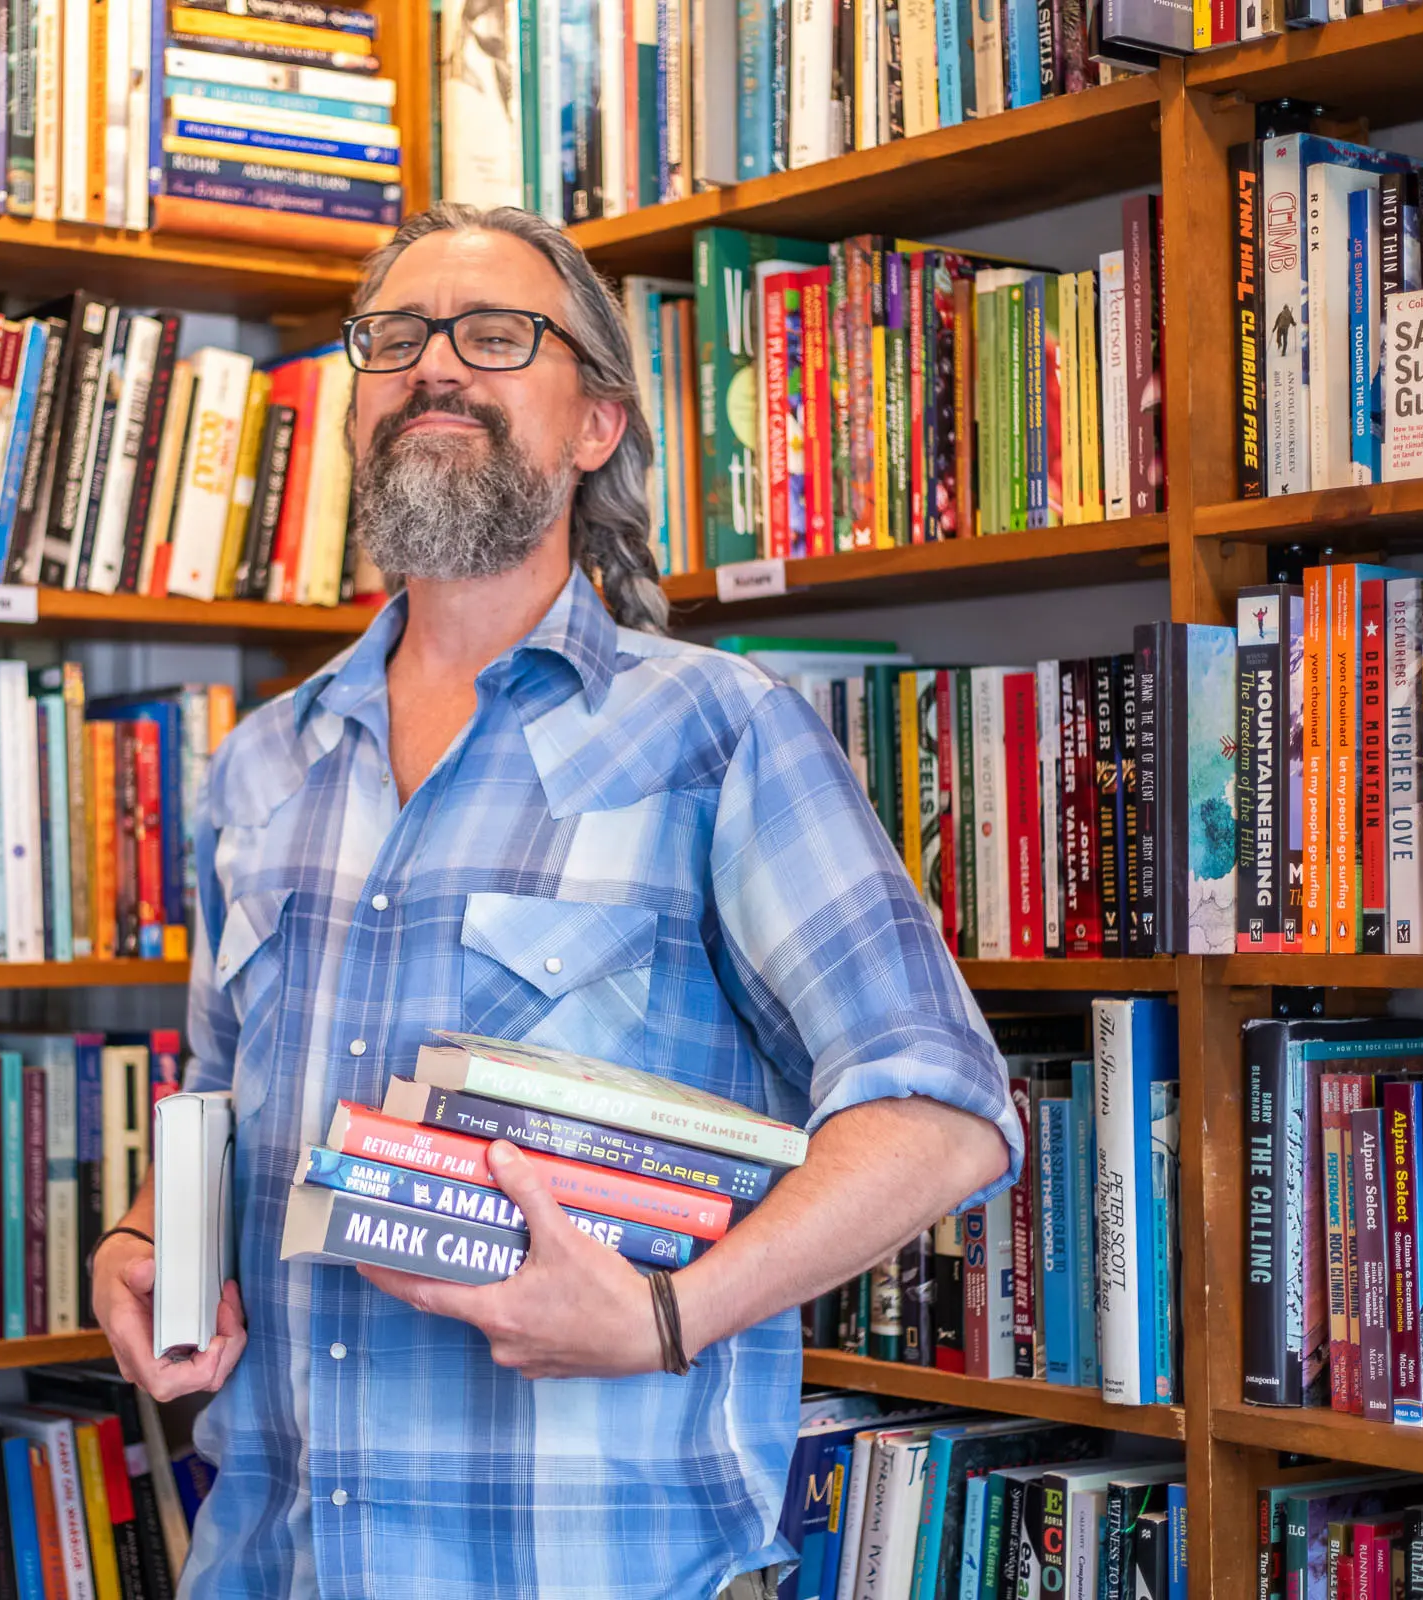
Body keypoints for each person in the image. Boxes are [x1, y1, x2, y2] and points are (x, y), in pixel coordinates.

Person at [88, 201, 1022, 1600]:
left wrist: (668, 1316)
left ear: (596, 424)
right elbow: (219, 1101)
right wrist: (145, 1238)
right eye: (395, 337)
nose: (432, 364)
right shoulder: (265, 761)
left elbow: (942, 1116)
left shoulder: (719, 734)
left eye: (493, 335)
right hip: (271, 1563)